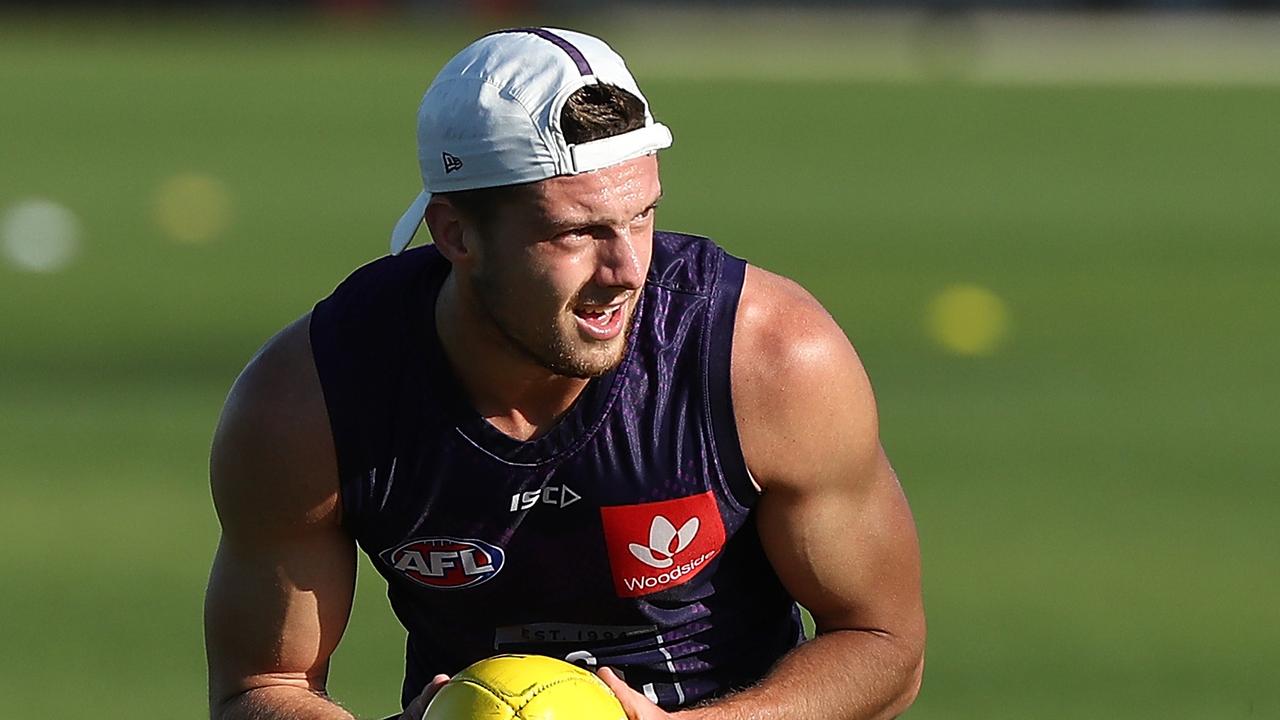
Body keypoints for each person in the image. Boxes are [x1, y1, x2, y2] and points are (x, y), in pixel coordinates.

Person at [205, 27, 924, 720]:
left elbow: (883, 644)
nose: (626, 272)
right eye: (576, 233)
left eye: (641, 216)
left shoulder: (768, 359)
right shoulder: (311, 403)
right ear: (455, 233)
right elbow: (261, 684)